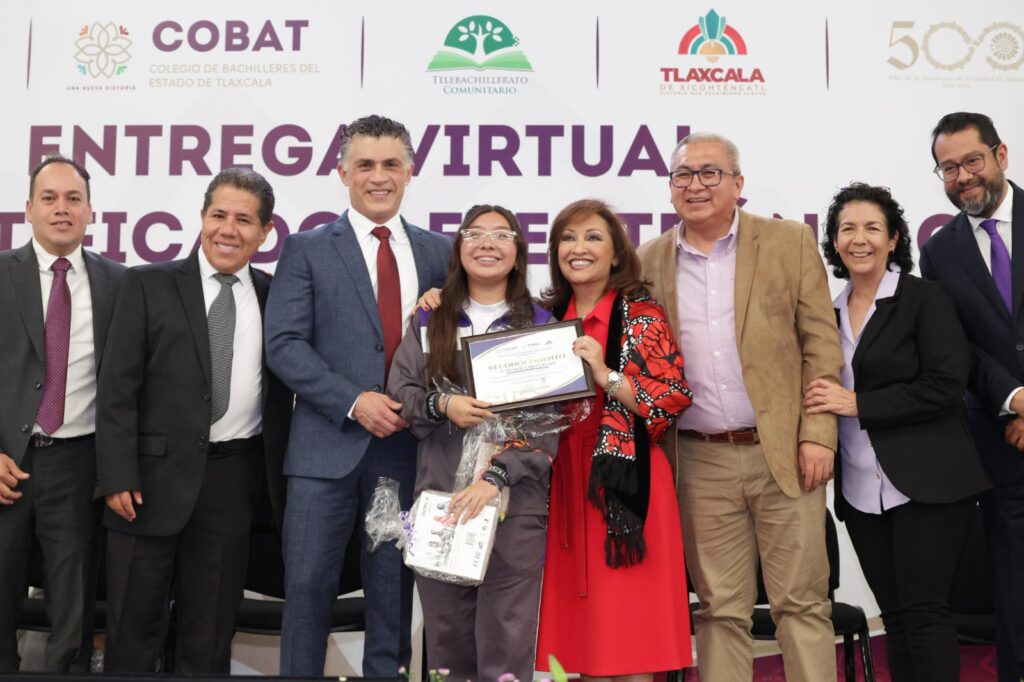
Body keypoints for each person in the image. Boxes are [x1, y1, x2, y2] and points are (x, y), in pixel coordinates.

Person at [637, 132, 843, 682]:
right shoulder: (647, 261)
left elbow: (821, 346)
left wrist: (818, 433)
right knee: (719, 610)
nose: (696, 185)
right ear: (670, 187)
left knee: (802, 604)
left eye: (710, 173)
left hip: (785, 453)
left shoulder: (788, 242)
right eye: (683, 175)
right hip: (699, 460)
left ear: (738, 184)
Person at [264, 114, 451, 677]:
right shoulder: (306, 248)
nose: (378, 176)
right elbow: (284, 344)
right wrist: (354, 401)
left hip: (407, 451)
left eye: (391, 164)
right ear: (343, 173)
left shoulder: (441, 253)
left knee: (393, 597)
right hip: (324, 451)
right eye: (365, 164)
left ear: (410, 172)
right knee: (306, 591)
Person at [95, 168, 293, 673]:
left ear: (265, 232)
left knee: (208, 637)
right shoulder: (146, 283)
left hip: (232, 484)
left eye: (244, 220)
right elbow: (116, 389)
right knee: (131, 630)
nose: (228, 229)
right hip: (144, 485)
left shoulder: (277, 296)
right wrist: (117, 474)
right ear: (202, 217)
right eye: (218, 215)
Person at [805, 183, 990, 681]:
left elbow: (947, 384)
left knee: (925, 612)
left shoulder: (924, 298)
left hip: (928, 483)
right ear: (834, 242)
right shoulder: (826, 312)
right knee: (896, 618)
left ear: (893, 239)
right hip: (860, 489)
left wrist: (858, 404)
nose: (859, 238)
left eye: (872, 228)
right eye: (847, 229)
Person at [388, 204, 557, 682]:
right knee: (447, 641)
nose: (488, 243)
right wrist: (443, 405)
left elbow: (550, 422)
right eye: (475, 233)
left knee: (508, 639)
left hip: (515, 505)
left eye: (502, 235)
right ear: (459, 248)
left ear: (518, 251)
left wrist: (497, 476)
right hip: (442, 500)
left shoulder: (542, 323)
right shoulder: (431, 318)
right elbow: (402, 391)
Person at [535, 199, 694, 679]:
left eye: (593, 237)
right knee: (583, 643)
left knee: (632, 637)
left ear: (617, 254)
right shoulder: (542, 319)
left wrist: (605, 374)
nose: (578, 248)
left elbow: (671, 396)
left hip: (625, 484)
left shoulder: (642, 316)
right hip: (562, 483)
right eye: (567, 238)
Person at [0, 155, 123, 672]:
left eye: (74, 199)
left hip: (78, 465)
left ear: (91, 211)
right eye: (49, 198)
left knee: (71, 615)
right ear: (28, 209)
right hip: (6, 463)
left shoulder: (119, 283)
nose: (62, 209)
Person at [919, 112, 1024, 682]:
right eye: (948, 167)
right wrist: (1015, 398)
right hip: (1004, 440)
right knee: (1014, 586)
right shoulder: (939, 252)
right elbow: (958, 348)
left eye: (972, 161)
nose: (962, 176)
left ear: (1000, 155)